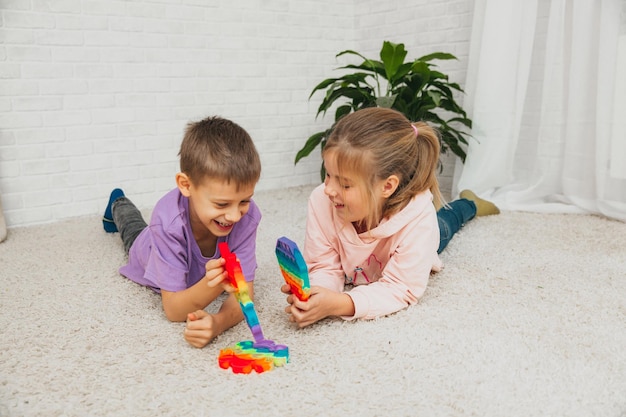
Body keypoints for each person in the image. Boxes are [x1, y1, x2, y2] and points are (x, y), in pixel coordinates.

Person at [282, 107, 499, 327]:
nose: (329, 189)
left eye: (345, 184)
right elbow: (324, 264)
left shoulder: (419, 222)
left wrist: (341, 303)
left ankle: (469, 203)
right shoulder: (322, 200)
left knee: (446, 222)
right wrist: (318, 295)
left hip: (424, 232)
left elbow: (400, 288)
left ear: (387, 186)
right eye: (328, 175)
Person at [102, 115, 262, 348]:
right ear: (186, 185)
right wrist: (217, 283)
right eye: (221, 204)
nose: (235, 216)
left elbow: (245, 295)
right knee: (132, 227)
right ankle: (117, 202)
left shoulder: (246, 218)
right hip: (146, 246)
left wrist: (218, 323)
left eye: (245, 200)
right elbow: (174, 310)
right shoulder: (167, 222)